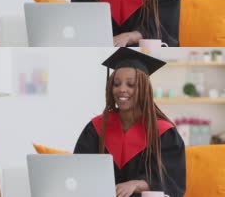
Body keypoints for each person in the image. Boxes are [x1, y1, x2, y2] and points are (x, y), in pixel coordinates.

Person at [74, 48, 186, 197]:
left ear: (145, 89)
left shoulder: (163, 132)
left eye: (131, 85)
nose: (121, 89)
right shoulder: (96, 128)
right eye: (116, 84)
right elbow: (78, 171)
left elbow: (173, 180)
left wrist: (137, 184)